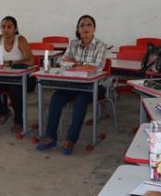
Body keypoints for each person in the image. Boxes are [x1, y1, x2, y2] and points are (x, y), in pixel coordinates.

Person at [36, 14, 107, 155]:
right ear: (78, 29)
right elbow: (62, 62)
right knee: (56, 98)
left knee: (80, 101)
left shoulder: (100, 45)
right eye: (82, 25)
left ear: (94, 28)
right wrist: (81, 65)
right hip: (72, 83)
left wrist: (74, 64)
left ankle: (70, 139)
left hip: (93, 86)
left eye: (89, 25)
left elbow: (96, 67)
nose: (85, 28)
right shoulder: (73, 44)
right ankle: (50, 136)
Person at [0, 16, 34, 132]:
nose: (5, 29)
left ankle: (19, 120)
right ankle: (5, 112)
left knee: (14, 90)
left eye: (9, 27)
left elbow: (30, 60)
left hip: (21, 77)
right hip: (3, 77)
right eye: (3, 27)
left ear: (15, 29)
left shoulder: (20, 39)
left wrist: (11, 63)